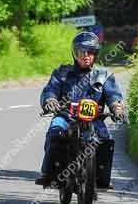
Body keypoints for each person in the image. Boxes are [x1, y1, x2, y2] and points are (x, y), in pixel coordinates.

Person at [35, 30, 125, 186]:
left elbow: (113, 95)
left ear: (96, 54)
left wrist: (117, 108)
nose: (86, 55)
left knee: (106, 139)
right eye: (81, 52)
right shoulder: (62, 73)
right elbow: (50, 89)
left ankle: (102, 177)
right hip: (65, 116)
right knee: (54, 132)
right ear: (74, 54)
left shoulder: (104, 75)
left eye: (90, 52)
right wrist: (49, 100)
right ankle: (48, 172)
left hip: (94, 119)